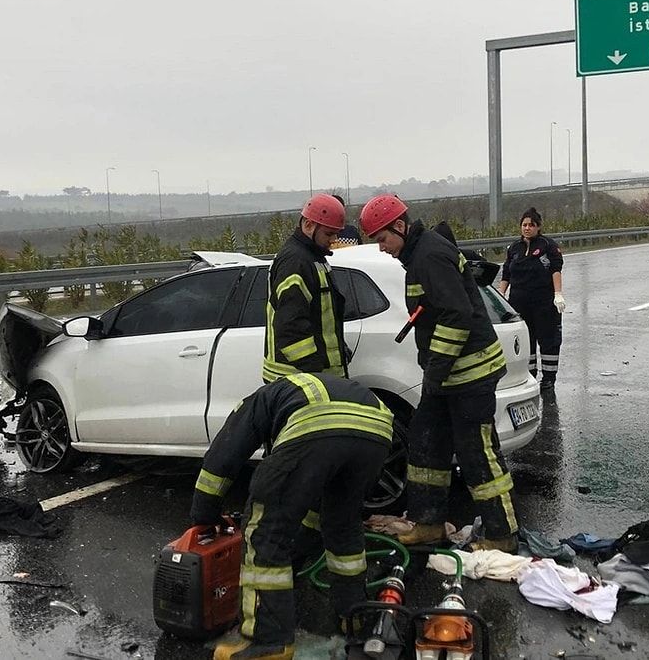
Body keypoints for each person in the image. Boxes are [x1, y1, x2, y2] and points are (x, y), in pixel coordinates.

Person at [189, 373, 394, 660]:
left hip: (317, 424)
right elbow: (307, 500)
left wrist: (204, 514)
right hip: (378, 430)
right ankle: (353, 614)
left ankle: (268, 642)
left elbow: (222, 459)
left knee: (264, 529)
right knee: (343, 523)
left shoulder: (254, 403)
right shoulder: (294, 392)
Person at [359, 194, 519, 552]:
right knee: (426, 446)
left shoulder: (429, 255)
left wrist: (436, 369)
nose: (381, 248)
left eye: (383, 239)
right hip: (446, 378)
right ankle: (428, 524)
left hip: (469, 375)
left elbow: (456, 315)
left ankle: (501, 535)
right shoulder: (417, 256)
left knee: (477, 454)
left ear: (399, 227)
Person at [263, 194, 348, 383]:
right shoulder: (296, 262)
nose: (333, 239)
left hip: (307, 377)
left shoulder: (312, 257)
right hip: (297, 378)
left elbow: (320, 317)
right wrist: (315, 371)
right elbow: (290, 326)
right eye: (328, 233)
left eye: (336, 233)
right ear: (309, 225)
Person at [497, 208, 565, 389]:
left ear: (538, 227)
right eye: (524, 225)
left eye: (531, 225)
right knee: (526, 339)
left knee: (548, 339)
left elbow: (555, 270)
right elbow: (506, 274)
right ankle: (530, 374)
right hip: (519, 302)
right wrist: (500, 295)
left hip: (543, 301)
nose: (527, 228)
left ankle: (549, 378)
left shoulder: (547, 246)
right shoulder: (514, 248)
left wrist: (558, 294)